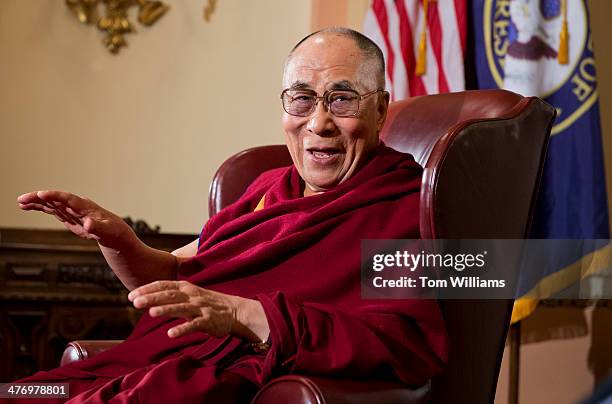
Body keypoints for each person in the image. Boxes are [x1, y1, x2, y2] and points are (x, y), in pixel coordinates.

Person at [12, 27, 448, 403]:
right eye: (301, 99)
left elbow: (403, 344)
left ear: (380, 109)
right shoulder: (266, 190)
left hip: (226, 379)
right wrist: (121, 242)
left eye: (341, 99)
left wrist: (249, 316)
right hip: (166, 360)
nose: (318, 123)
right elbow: (172, 283)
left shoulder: (407, 206)